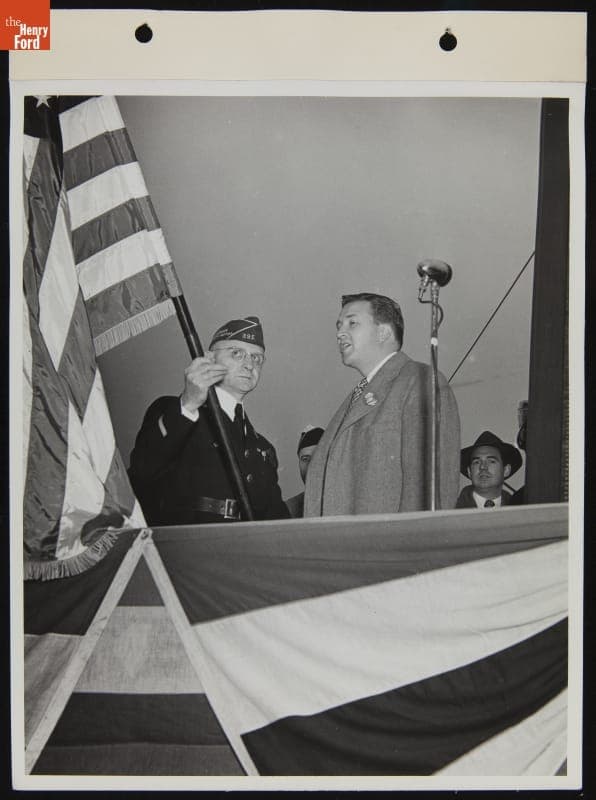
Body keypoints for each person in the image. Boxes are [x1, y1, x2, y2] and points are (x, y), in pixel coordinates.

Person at [303, 292, 460, 516]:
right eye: (339, 325)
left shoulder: (421, 381)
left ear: (383, 332)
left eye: (352, 323)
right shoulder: (359, 395)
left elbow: (430, 490)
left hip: (387, 547)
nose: (340, 333)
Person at [129, 316, 289, 525]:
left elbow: (277, 520)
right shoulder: (177, 412)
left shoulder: (262, 448)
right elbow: (141, 472)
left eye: (257, 358)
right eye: (236, 353)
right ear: (209, 359)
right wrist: (188, 403)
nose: (249, 364)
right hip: (189, 549)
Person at [455, 430, 523, 509]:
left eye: (491, 461)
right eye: (477, 462)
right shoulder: (449, 510)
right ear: (469, 472)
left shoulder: (521, 509)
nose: (483, 467)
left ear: (506, 470)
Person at [285, 426, 325, 517]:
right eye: (305, 459)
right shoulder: (289, 510)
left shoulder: (345, 504)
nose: (311, 466)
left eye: (318, 457)